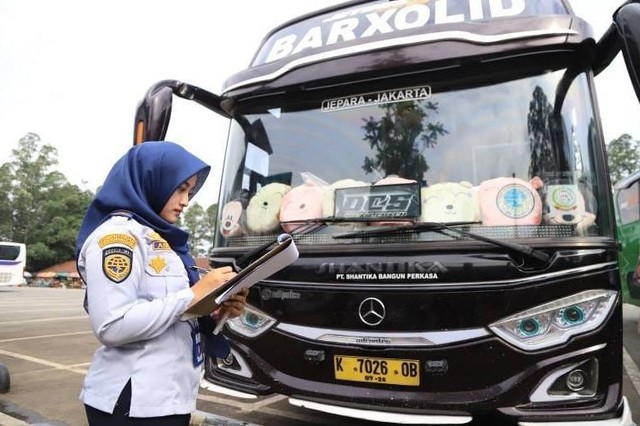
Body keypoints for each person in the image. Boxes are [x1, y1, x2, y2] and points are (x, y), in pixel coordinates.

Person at [75, 141, 248, 425]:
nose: (186, 201)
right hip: (132, 401)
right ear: (151, 179)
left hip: (168, 397)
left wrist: (219, 309)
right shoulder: (119, 238)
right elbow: (112, 325)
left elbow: (178, 314)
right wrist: (193, 296)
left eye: (190, 191)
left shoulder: (163, 241)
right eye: (180, 188)